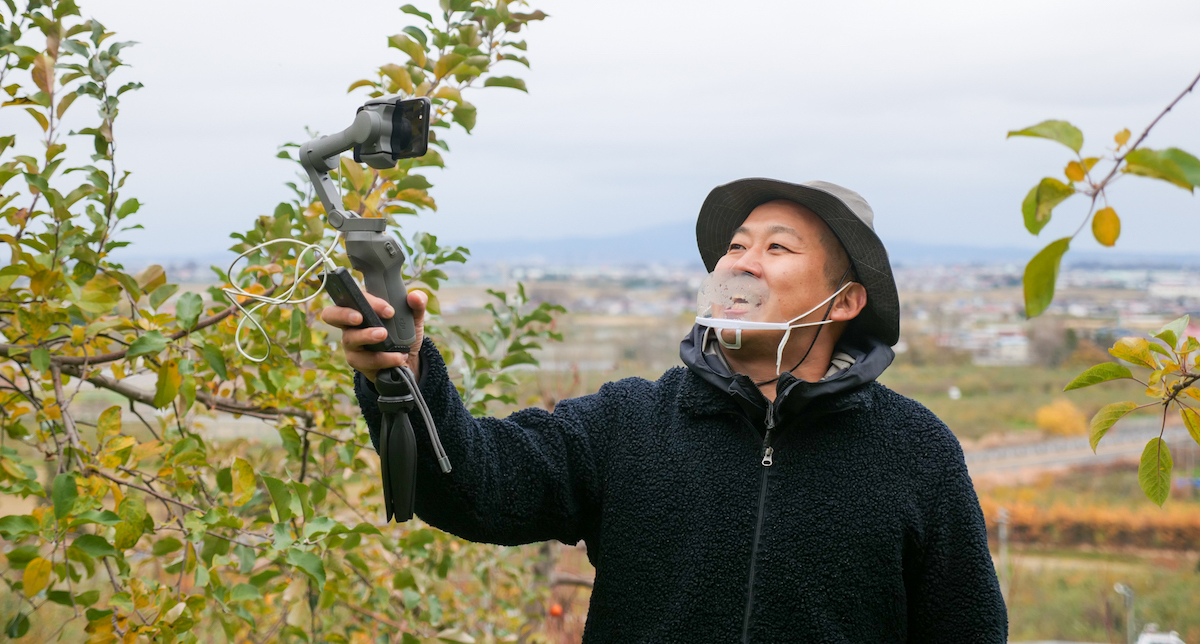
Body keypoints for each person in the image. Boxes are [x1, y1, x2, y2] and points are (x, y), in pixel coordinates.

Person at [324, 178, 1008, 643]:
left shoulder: (915, 451)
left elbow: (969, 630)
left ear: (846, 301)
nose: (742, 263)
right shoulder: (631, 424)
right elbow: (473, 486)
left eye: (776, 248)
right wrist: (403, 374)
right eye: (735, 247)